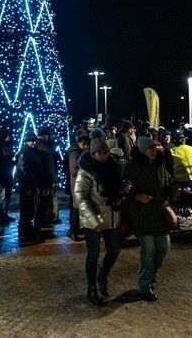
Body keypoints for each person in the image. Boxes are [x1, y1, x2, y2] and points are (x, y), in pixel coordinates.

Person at [75, 131, 131, 306]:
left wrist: (123, 190)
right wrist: (94, 220)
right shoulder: (85, 172)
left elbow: (114, 189)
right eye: (102, 153)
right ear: (94, 154)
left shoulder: (111, 167)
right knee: (93, 254)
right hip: (92, 219)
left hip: (111, 217)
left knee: (114, 250)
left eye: (107, 152)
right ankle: (91, 288)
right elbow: (80, 197)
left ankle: (103, 274)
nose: (106, 155)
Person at [123, 136, 173, 302]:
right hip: (142, 214)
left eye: (155, 147)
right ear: (143, 150)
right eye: (150, 147)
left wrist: (173, 190)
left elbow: (166, 183)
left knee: (164, 247)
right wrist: (137, 196)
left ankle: (152, 276)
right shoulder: (131, 166)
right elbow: (123, 189)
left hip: (159, 213)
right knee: (148, 250)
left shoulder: (160, 164)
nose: (154, 150)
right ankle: (145, 286)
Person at [15, 133, 47, 241]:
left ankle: (27, 226)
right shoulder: (24, 153)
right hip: (27, 184)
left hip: (34, 183)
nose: (34, 142)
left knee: (31, 206)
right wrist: (27, 186)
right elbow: (23, 171)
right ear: (27, 141)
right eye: (31, 141)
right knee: (26, 206)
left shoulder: (35, 152)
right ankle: (24, 228)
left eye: (35, 140)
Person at [66, 129, 91, 241]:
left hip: (82, 183)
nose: (86, 146)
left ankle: (77, 229)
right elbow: (74, 170)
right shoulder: (74, 153)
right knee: (77, 207)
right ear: (79, 143)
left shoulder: (83, 152)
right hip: (76, 184)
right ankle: (72, 231)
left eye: (87, 144)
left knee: (80, 207)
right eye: (84, 144)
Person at [0, 129, 16, 225]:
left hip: (8, 173)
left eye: (9, 135)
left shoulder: (8, 146)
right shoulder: (0, 146)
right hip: (2, 174)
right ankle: (0, 217)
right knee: (0, 196)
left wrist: (14, 160)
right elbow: (0, 160)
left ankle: (4, 214)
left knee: (7, 195)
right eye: (6, 135)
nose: (8, 137)